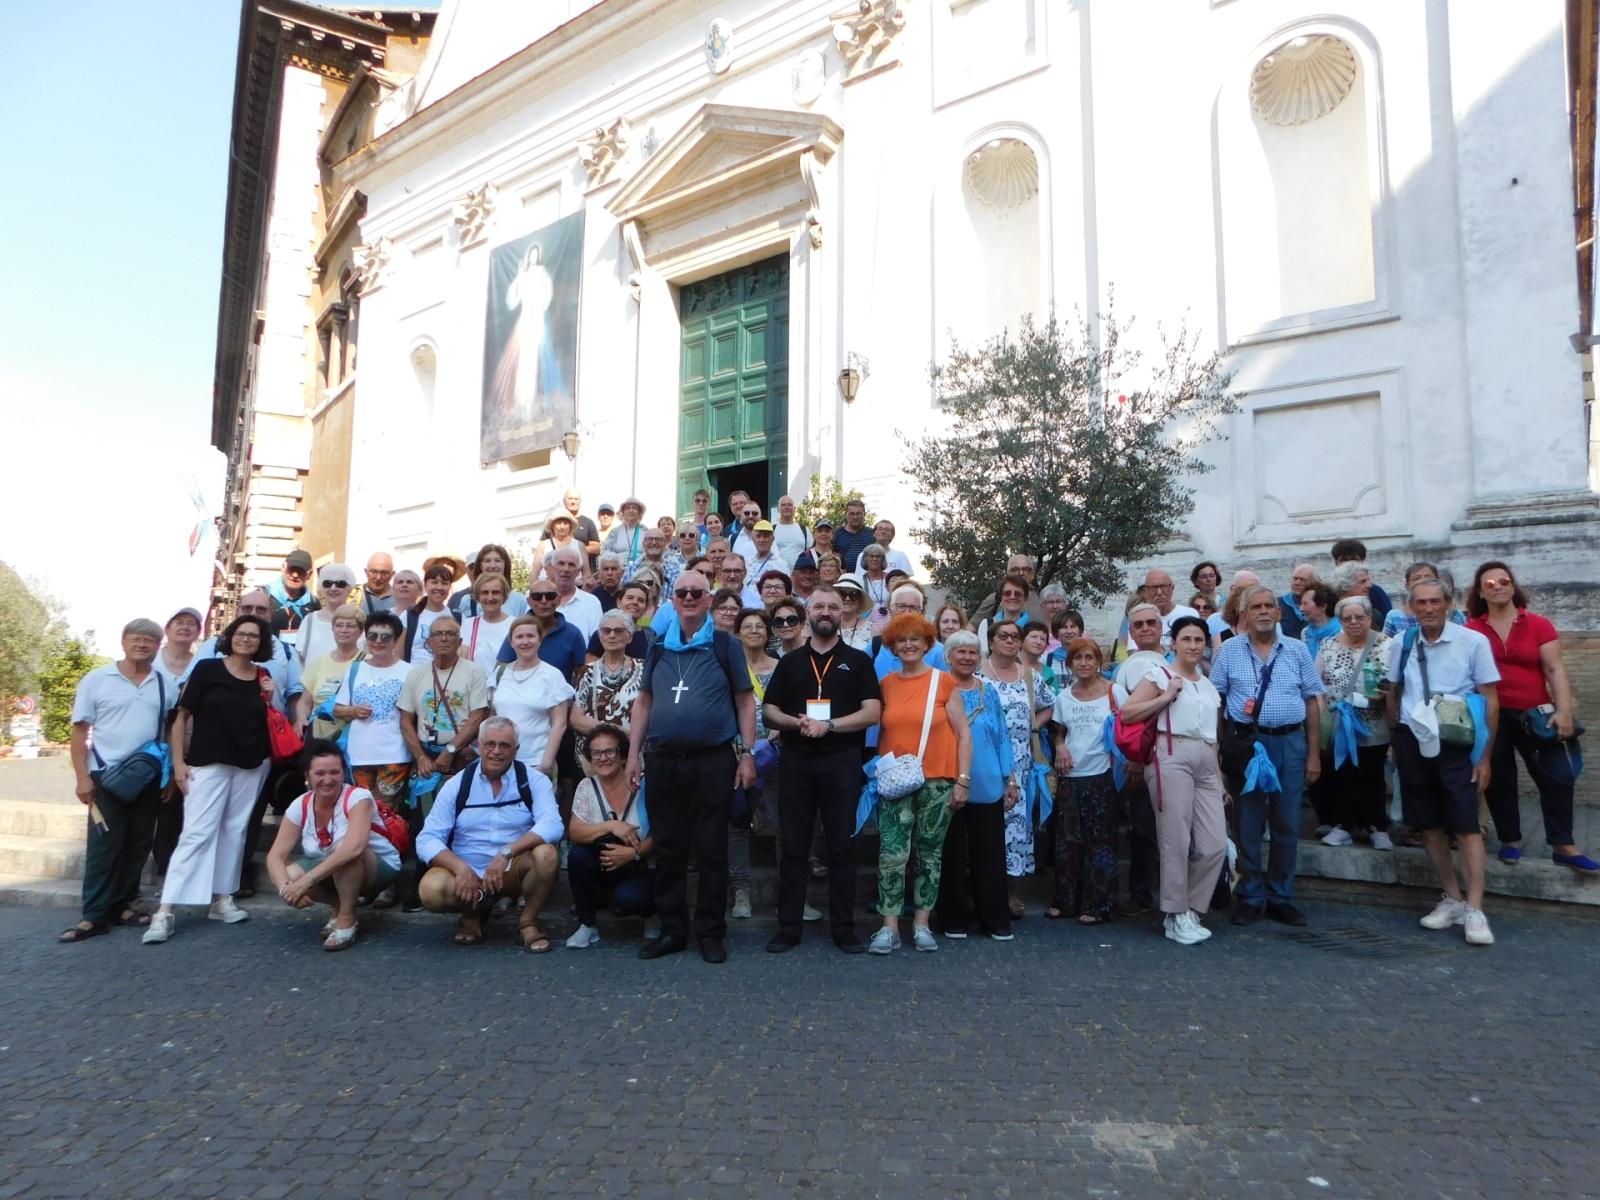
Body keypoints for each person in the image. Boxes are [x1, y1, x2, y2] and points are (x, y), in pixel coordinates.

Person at [626, 570, 757, 963]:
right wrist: (632, 754)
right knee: (668, 849)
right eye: (681, 592)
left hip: (712, 761)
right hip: (663, 760)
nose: (688, 597)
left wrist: (747, 753)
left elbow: (745, 702)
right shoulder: (658, 646)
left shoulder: (725, 644)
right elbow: (644, 702)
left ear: (708, 599)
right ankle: (672, 931)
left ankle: (711, 933)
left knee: (712, 849)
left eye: (696, 592)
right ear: (673, 599)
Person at [759, 586, 881, 953]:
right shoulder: (790, 662)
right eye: (819, 606)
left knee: (842, 846)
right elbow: (770, 711)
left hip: (842, 761)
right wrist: (797, 724)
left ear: (842, 614)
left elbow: (873, 712)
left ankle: (843, 928)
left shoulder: (858, 661)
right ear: (808, 614)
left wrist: (828, 725)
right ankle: (789, 926)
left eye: (833, 606)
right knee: (794, 846)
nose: (826, 612)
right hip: (797, 761)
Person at [143, 614, 275, 945]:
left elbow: (267, 720)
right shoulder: (207, 669)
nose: (246, 639)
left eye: (254, 635)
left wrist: (270, 698)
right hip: (207, 762)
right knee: (197, 832)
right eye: (241, 633)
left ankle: (222, 899)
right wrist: (178, 763)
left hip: (251, 762)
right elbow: (181, 717)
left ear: (261, 643)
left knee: (235, 831)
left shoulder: (263, 676)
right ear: (229, 637)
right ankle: (165, 910)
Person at [1387, 578, 1501, 944]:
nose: (1428, 608)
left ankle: (1475, 908)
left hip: (1457, 743)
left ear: (1448, 603)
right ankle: (1452, 899)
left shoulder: (1473, 641)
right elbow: (1393, 691)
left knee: (1466, 826)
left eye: (1435, 601)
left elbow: (1491, 699)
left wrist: (1484, 756)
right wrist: (1396, 738)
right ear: (1411, 607)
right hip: (1414, 741)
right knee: (1430, 825)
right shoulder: (1402, 643)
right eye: (1421, 602)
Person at [1466, 562, 1594, 871]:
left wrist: (1564, 710)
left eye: (1503, 581)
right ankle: (1510, 840)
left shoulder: (1538, 624)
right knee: (1499, 779)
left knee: (1558, 775)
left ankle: (1563, 844)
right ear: (1480, 592)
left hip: (1535, 714)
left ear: (1513, 586)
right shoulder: (1472, 629)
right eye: (1489, 584)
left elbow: (1554, 668)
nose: (1497, 586)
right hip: (1492, 714)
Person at [1211, 586, 1324, 927]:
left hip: (1289, 743)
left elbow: (1312, 701)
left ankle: (1280, 896)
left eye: (1268, 606)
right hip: (1246, 745)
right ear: (1245, 614)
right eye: (1256, 607)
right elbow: (1216, 702)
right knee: (1247, 823)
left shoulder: (1297, 649)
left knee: (1286, 822)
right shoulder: (1228, 651)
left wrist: (1313, 754)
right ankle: (1251, 896)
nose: (1263, 611)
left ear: (1278, 612)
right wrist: (1222, 749)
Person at [61, 618, 175, 943]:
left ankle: (122, 906)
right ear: (123, 641)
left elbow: (169, 731)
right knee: (103, 847)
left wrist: (168, 775)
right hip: (105, 775)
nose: (142, 644)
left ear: (157, 647)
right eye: (136, 638)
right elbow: (80, 732)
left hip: (148, 776)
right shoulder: (97, 680)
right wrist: (82, 778)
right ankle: (93, 915)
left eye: (149, 641)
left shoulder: (164, 683)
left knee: (138, 845)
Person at [1120, 616, 1227, 946]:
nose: (1193, 645)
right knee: (1175, 839)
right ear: (1173, 643)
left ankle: (1192, 907)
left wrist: (1220, 781)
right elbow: (1127, 713)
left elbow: (1214, 738)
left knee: (1215, 844)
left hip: (1206, 760)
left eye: (1199, 640)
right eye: (1187, 639)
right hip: (1170, 753)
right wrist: (1165, 697)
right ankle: (1175, 912)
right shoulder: (1160, 675)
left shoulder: (1208, 685)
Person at [868, 613, 972, 954]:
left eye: (916, 639)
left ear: (928, 644)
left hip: (938, 780)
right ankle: (889, 927)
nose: (909, 644)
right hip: (896, 781)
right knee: (892, 853)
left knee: (930, 854)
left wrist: (963, 780)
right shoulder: (885, 684)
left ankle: (922, 923)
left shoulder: (944, 682)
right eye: (902, 640)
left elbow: (964, 734)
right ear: (893, 646)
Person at [415, 717, 562, 950]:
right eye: (490, 744)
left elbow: (553, 825)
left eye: (504, 745)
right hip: (468, 871)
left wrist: (506, 853)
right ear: (478, 746)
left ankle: (528, 922)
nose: (496, 751)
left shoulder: (533, 780)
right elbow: (427, 839)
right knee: (430, 889)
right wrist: (460, 868)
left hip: (512, 870)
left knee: (547, 855)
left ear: (516, 750)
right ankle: (472, 915)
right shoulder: (457, 784)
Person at [264, 740, 402, 951]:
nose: (327, 780)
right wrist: (287, 890)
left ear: (343, 773)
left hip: (375, 866)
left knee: (344, 853)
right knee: (289, 875)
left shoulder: (358, 798)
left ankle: (347, 917)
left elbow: (354, 848)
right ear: (308, 776)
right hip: (327, 866)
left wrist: (305, 882)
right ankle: (338, 905)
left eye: (334, 772)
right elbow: (275, 856)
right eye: (320, 773)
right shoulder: (300, 805)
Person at [933, 630, 1013, 940]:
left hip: (988, 780)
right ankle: (953, 918)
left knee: (989, 854)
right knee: (951, 853)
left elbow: (1002, 735)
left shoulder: (989, 692)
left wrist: (1010, 778)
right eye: (961, 651)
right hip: (948, 778)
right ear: (948, 656)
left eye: (972, 652)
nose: (967, 657)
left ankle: (994, 919)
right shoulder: (938, 688)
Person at [331, 612, 414, 900]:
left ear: (396, 639)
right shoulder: (356, 669)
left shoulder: (408, 671)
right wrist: (353, 711)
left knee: (388, 817)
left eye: (385, 637)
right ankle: (368, 876)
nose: (378, 641)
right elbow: (337, 708)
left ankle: (387, 881)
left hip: (395, 754)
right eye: (373, 636)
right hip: (360, 755)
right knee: (363, 816)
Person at [980, 618, 1055, 917]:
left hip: (1020, 764)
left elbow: (1050, 705)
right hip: (984, 762)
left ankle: (1010, 893)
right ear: (992, 641)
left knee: (1015, 830)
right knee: (984, 828)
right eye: (1004, 636)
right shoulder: (977, 673)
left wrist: (1033, 725)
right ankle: (982, 891)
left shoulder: (1030, 677)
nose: (1010, 640)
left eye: (1015, 636)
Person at [1312, 596, 1393, 850]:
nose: (1353, 622)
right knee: (1341, 775)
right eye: (1347, 618)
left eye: (1359, 617)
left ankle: (1377, 827)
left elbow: (1395, 683)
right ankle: (1343, 825)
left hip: (1373, 721)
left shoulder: (1386, 644)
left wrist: (1386, 694)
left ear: (1370, 617)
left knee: (1372, 775)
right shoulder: (1329, 645)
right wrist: (1321, 705)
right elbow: (1316, 681)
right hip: (1339, 722)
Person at [565, 724, 656, 948]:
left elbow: (664, 834)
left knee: (629, 899)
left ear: (623, 756)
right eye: (596, 753)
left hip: (643, 865)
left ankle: (653, 917)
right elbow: (575, 832)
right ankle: (587, 925)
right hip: (605, 867)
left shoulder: (644, 785)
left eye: (610, 751)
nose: (603, 758)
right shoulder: (587, 786)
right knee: (578, 856)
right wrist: (612, 825)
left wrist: (634, 853)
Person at [1048, 638, 1119, 924]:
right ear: (1070, 663)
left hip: (1102, 774)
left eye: (1089, 657)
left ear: (1098, 661)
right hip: (1070, 775)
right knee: (1067, 841)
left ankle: (1099, 905)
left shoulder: (1114, 692)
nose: (1084, 663)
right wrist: (1060, 746)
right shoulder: (1064, 697)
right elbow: (1058, 732)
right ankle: (1066, 901)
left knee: (1100, 842)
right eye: (1078, 658)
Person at [1112, 602, 1166, 917]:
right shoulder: (1124, 669)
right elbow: (1123, 718)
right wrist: (1132, 759)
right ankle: (1141, 893)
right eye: (1139, 624)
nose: (1145, 628)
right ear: (1131, 631)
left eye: (1151, 623)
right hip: (1140, 759)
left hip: (1175, 754)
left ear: (1161, 627)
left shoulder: (1178, 661)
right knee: (1143, 827)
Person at [724, 606, 778, 921]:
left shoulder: (781, 667)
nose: (755, 630)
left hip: (775, 753)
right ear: (738, 633)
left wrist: (774, 738)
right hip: (737, 753)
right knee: (737, 822)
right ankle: (741, 889)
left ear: (768, 633)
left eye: (760, 626)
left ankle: (790, 893)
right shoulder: (728, 667)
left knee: (782, 823)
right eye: (748, 626)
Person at [400, 616, 490, 798]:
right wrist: (420, 757)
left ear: (460, 641)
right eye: (438, 634)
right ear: (429, 642)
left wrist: (450, 750)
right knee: (426, 808)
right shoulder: (415, 674)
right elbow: (405, 721)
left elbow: (477, 717)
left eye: (450, 634)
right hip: (426, 756)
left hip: (461, 755)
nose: (443, 638)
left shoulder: (474, 671)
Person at [489, 615, 574, 776]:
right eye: (519, 637)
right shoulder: (500, 673)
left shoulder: (552, 675)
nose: (525, 641)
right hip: (501, 762)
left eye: (530, 636)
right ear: (511, 642)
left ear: (539, 640)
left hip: (536, 762)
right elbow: (493, 716)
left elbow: (559, 724)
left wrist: (545, 765)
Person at [571, 610, 645, 761]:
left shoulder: (644, 669)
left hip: (630, 755)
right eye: (606, 630)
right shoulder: (587, 671)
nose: (612, 635)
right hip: (595, 758)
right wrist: (616, 731)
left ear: (629, 637)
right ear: (600, 636)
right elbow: (576, 719)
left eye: (618, 631)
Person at [494, 579, 588, 681]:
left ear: (558, 600)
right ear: (529, 602)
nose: (543, 601)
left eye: (550, 596)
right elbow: (500, 671)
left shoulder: (573, 634)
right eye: (537, 597)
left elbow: (582, 676)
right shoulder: (519, 631)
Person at [297, 603, 366, 740]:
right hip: (321, 734)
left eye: (350, 626)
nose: (344, 630)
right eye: (339, 625)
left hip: (352, 735)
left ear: (360, 631)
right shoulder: (320, 662)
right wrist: (302, 721)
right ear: (333, 628)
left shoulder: (367, 662)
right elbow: (305, 702)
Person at [294, 563, 357, 667]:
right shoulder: (310, 621)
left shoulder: (359, 621)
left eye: (340, 584)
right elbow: (299, 661)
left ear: (349, 588)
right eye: (327, 583)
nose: (333, 588)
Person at [404, 559, 463, 663]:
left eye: (444, 583)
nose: (439, 587)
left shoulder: (457, 617)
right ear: (425, 585)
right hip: (415, 672)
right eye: (434, 582)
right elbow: (398, 655)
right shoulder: (409, 616)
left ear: (450, 587)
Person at [969, 554, 1042, 628]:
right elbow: (972, 627)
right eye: (1015, 570)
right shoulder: (995, 598)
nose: (1021, 573)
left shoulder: (1039, 598)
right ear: (1008, 574)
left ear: (1032, 575)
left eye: (1026, 570)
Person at [1330, 538, 1393, 624]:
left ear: (1362, 561)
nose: (1349, 563)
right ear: (1336, 562)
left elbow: (1387, 621)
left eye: (1354, 559)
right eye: (1344, 559)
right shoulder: (1329, 594)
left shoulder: (1375, 592)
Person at [460, 573, 515, 669]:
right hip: (476, 678)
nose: (490, 597)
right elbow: (462, 658)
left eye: (495, 592)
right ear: (478, 596)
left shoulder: (514, 625)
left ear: (504, 596)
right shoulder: (469, 624)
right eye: (485, 592)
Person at [546, 545, 602, 641]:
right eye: (561, 563)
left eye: (571, 565)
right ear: (553, 568)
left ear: (578, 572)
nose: (566, 569)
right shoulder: (538, 600)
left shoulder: (591, 602)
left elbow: (597, 641)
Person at [267, 548, 318, 633]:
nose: (295, 575)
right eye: (292, 569)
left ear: (309, 574)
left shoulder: (314, 604)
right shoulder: (264, 596)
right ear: (283, 567)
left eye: (300, 571)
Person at [154, 607, 202, 691]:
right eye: (179, 623)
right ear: (167, 629)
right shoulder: (151, 660)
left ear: (198, 633)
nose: (185, 627)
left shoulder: (200, 666)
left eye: (191, 624)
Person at [1298, 580, 1341, 662]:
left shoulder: (1342, 633)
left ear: (1322, 606)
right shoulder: (1305, 633)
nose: (1301, 608)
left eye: (1305, 604)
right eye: (1301, 604)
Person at [857, 544, 894, 633]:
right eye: (871, 556)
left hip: (891, 623)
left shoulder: (891, 579)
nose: (875, 559)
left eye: (878, 556)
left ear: (883, 559)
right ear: (865, 559)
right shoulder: (860, 581)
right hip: (867, 625)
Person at [1277, 563, 1318, 639]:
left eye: (1302, 580)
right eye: (1295, 579)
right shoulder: (1279, 604)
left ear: (1313, 583)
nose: (1297, 583)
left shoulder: (1320, 604)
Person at [602, 497, 649, 563]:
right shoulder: (615, 532)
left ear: (639, 512)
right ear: (623, 512)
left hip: (641, 567)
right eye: (627, 508)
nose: (631, 510)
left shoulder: (645, 532)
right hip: (619, 567)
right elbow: (606, 552)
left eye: (634, 508)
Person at [832, 498, 874, 571]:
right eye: (852, 514)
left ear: (864, 514)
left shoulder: (872, 534)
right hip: (844, 575)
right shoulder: (837, 534)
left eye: (858, 514)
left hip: (867, 575)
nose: (855, 517)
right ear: (846, 515)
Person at [834, 574, 873, 650]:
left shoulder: (872, 630)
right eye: (842, 594)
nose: (847, 599)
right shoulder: (828, 626)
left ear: (860, 600)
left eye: (853, 594)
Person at [772, 494, 811, 566]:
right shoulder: (771, 530)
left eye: (789, 505)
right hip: (777, 571)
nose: (786, 507)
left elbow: (811, 552)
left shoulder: (804, 530)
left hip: (799, 571)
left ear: (794, 509)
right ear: (778, 509)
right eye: (783, 505)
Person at [745, 520, 789, 585]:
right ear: (753, 539)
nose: (762, 540)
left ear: (772, 540)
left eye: (766, 536)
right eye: (758, 536)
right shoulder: (746, 563)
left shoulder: (781, 565)